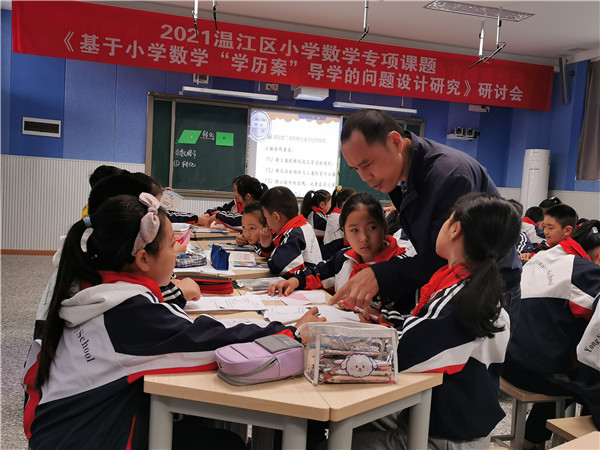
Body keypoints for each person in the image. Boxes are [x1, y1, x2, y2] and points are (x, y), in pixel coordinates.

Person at [23, 193, 323, 449]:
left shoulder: (94, 287)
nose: (177, 252)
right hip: (95, 437)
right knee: (226, 444)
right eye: (171, 245)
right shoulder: (132, 316)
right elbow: (213, 341)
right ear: (143, 259)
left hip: (69, 431)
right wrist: (291, 332)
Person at [350, 193, 521, 449]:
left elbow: (400, 353)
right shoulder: (471, 286)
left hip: (443, 436)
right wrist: (387, 321)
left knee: (334, 440)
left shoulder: (461, 299)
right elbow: (427, 326)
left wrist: (344, 340)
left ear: (455, 229)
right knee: (359, 420)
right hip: (451, 421)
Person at [330, 109, 521, 315]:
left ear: (395, 142)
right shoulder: (399, 176)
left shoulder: (449, 176)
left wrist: (380, 275)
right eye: (355, 169)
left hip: (487, 286)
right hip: (454, 282)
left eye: (367, 164)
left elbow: (446, 257)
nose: (364, 177)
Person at [502, 219, 600, 449]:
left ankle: (530, 440)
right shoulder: (585, 272)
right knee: (587, 382)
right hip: (532, 371)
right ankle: (581, 442)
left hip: (506, 360)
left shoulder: (543, 256)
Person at [268, 193, 408, 307]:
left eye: (372, 228)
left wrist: (377, 316)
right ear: (344, 232)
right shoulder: (344, 257)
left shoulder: (400, 266)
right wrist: (295, 281)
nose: (363, 238)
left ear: (384, 226)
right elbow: (318, 273)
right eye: (354, 230)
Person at [259, 186, 322, 276]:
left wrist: (270, 252)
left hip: (306, 283)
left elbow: (277, 266)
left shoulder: (294, 234)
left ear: (276, 217)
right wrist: (267, 247)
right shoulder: (300, 226)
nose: (267, 223)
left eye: (266, 217)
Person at [199, 175, 268, 231]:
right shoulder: (245, 206)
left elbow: (241, 220)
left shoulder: (259, 210)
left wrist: (218, 216)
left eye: (235, 190)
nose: (234, 194)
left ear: (248, 196)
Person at [322, 186, 355, 259]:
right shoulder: (337, 217)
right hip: (334, 256)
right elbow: (344, 242)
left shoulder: (338, 216)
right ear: (345, 203)